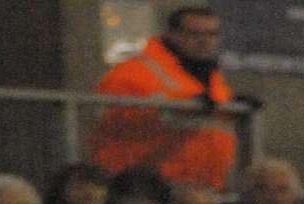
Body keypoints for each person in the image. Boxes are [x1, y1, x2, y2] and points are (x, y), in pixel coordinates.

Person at [90, 6, 240, 191]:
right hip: (145, 189)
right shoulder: (132, 72)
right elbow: (112, 119)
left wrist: (234, 106)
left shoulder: (210, 77)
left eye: (212, 34)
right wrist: (181, 107)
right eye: (195, 34)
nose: (205, 41)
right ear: (172, 34)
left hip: (201, 190)